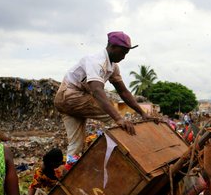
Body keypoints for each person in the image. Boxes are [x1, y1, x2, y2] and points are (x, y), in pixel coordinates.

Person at [54, 31, 154, 159]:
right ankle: (134, 155)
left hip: (71, 101)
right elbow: (97, 91)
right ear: (112, 46)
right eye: (122, 52)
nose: (124, 56)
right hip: (69, 96)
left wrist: (143, 113)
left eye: (126, 53)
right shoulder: (96, 61)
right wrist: (118, 118)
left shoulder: (113, 67)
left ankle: (70, 171)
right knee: (118, 118)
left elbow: (123, 92)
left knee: (76, 145)